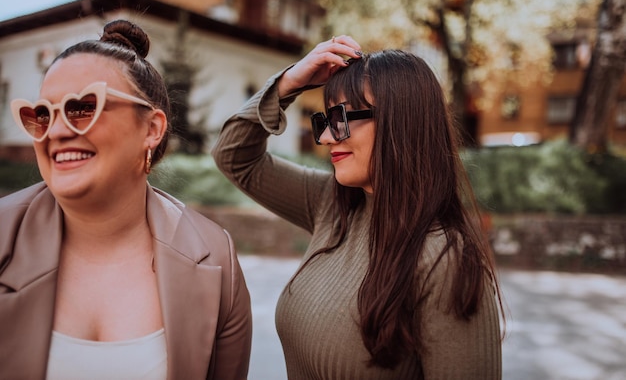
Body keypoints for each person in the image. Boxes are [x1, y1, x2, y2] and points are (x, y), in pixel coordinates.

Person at [212, 35, 504, 379]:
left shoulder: (448, 262)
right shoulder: (333, 205)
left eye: (344, 118)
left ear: (402, 121)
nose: (326, 138)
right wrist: (288, 83)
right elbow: (234, 157)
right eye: (326, 120)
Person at [0, 19, 252, 380]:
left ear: (151, 129)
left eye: (83, 107)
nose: (55, 131)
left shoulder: (216, 258)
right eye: (41, 114)